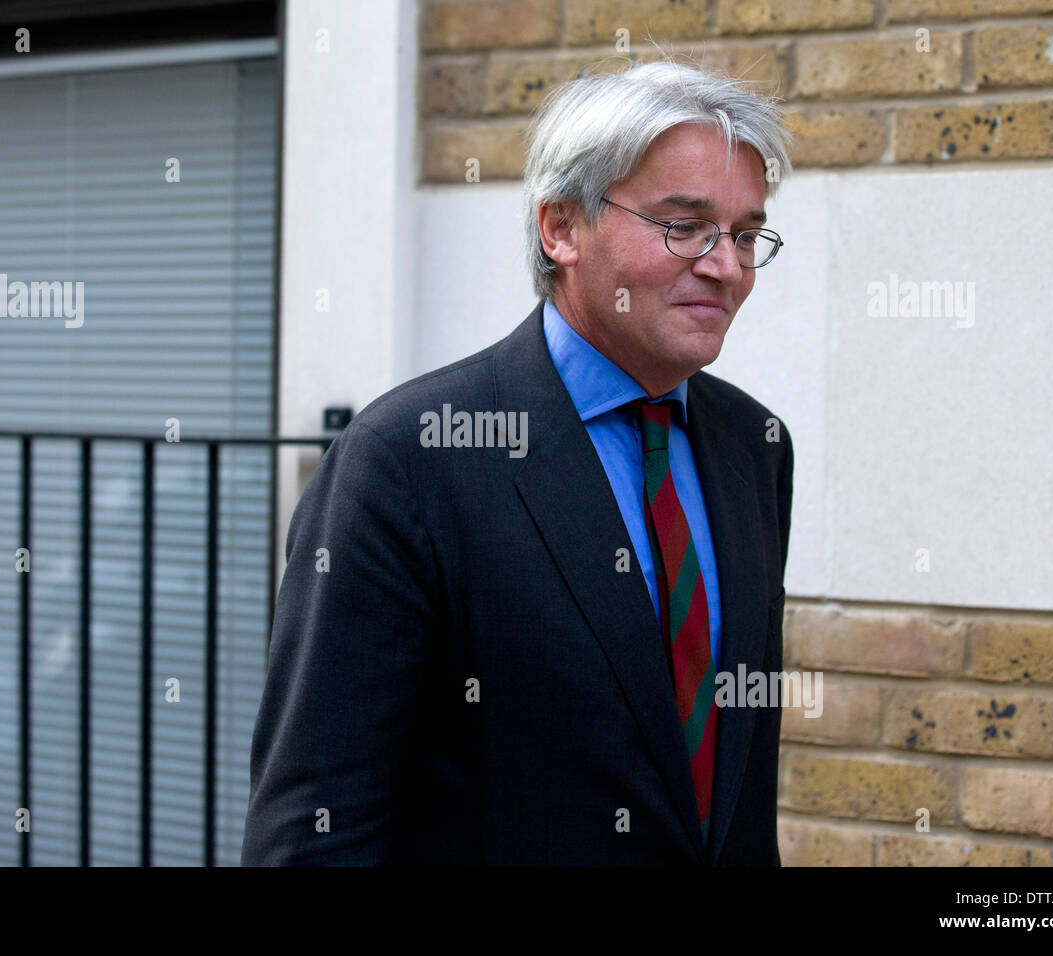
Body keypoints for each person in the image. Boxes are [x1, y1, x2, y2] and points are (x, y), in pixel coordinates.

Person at [242, 59, 795, 865]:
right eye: (686, 226)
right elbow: (316, 829)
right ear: (561, 228)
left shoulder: (756, 446)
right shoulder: (407, 459)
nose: (727, 266)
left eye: (746, 234)